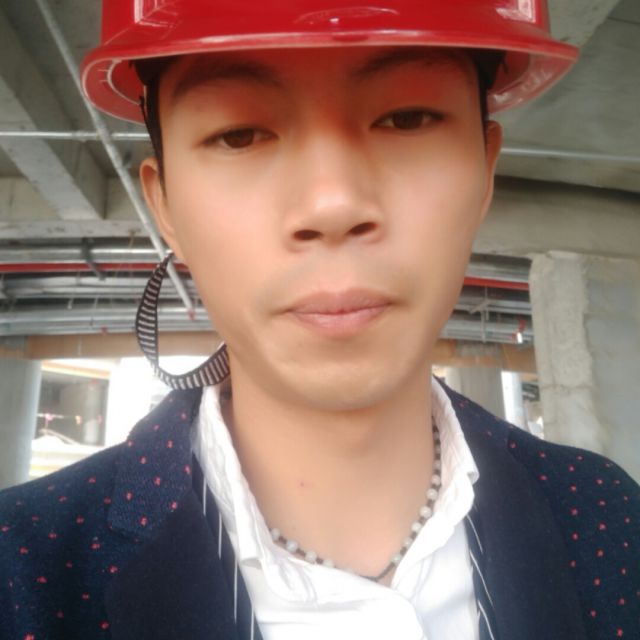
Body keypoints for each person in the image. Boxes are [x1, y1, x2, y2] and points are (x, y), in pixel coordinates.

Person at [1, 1, 638, 639]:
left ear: (485, 172)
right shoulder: (22, 569)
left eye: (407, 117)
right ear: (165, 205)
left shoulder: (606, 515)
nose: (332, 205)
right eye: (239, 134)